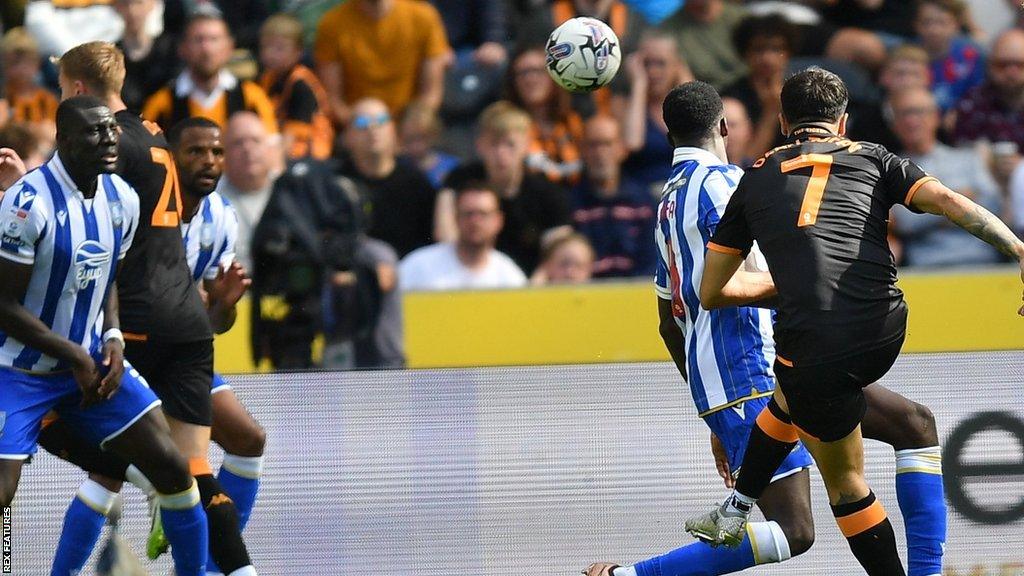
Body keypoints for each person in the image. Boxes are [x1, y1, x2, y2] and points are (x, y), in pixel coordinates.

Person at [585, 78, 962, 576]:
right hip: (754, 368)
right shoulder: (724, 184)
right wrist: (809, 280)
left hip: (749, 375)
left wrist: (711, 410)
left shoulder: (667, 203)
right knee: (794, 528)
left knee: (913, 425)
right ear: (723, 127)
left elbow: (667, 321)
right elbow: (726, 283)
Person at [691, 68, 1023, 575]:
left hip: (818, 342)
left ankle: (739, 511)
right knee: (796, 393)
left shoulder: (753, 178)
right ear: (841, 122)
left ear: (783, 122)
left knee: (845, 481)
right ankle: (734, 510)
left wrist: (794, 283)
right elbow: (951, 204)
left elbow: (714, 292)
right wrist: (1019, 249)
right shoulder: (874, 156)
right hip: (885, 323)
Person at [55, 42, 258, 575]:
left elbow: (67, 218)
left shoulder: (103, 141)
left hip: (136, 316)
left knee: (111, 468)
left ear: (75, 91)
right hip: (185, 319)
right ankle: (238, 571)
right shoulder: (153, 133)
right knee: (191, 473)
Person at [0, 95, 209, 576]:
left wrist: (111, 335)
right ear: (64, 140)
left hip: (91, 360)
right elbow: (4, 305)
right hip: (19, 370)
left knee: (174, 468)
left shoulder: (123, 198)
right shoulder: (27, 203)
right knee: (4, 491)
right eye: (95, 132)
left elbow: (106, 274)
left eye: (112, 130)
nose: (110, 139)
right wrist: (74, 352)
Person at [440, 101, 571, 274]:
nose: (501, 153)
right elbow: (445, 237)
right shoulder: (458, 181)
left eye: (510, 144)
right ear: (480, 146)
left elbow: (559, 254)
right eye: (494, 144)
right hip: (467, 278)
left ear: (526, 146)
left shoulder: (549, 194)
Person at [888, 87, 1002, 267]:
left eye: (918, 112)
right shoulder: (889, 169)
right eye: (903, 114)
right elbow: (903, 223)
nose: (911, 120)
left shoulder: (968, 158)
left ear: (936, 117)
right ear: (893, 123)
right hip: (925, 267)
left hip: (981, 261)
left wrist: (925, 206)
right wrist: (957, 201)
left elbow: (993, 206)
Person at [313, 0, 449, 126]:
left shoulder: (423, 16)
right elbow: (333, 100)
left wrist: (409, 128)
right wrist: (365, 127)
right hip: (359, 125)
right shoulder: (333, 24)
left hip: (409, 127)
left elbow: (431, 94)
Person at [142, 11, 278, 133]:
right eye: (198, 40)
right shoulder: (162, 104)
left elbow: (270, 145)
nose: (206, 49)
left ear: (230, 47)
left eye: (214, 39)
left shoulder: (251, 98)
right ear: (182, 48)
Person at [338, 98, 438, 258]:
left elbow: (428, 244)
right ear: (347, 136)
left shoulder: (416, 184)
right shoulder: (334, 184)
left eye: (381, 121)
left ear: (394, 131)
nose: (372, 129)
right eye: (362, 123)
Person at [400, 181, 526, 291]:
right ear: (456, 218)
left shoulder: (510, 277)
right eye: (468, 213)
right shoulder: (418, 266)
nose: (475, 221)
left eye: (483, 214)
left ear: (498, 221)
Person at [571, 115, 656, 278]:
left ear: (621, 149)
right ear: (581, 149)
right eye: (593, 145)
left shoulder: (642, 202)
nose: (600, 153)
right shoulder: (571, 201)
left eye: (607, 144)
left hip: (634, 294)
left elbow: (652, 259)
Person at [620, 31, 694, 198]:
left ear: (677, 66)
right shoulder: (627, 105)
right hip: (643, 198)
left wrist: (685, 81)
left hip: (686, 193)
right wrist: (639, 85)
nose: (653, 72)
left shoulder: (684, 106)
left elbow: (702, 132)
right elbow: (632, 143)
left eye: (661, 63)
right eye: (646, 64)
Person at [257, 13, 333, 160]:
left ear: (298, 52)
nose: (271, 54)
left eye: (280, 48)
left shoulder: (301, 85)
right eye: (266, 46)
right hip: (279, 143)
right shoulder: (267, 78)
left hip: (309, 154)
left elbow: (292, 136)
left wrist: (271, 164)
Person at [506, 45, 584, 186]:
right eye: (522, 73)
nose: (530, 79)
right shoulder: (507, 129)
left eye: (537, 71)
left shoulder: (574, 122)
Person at [723, 14, 797, 160]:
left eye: (776, 49)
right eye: (758, 49)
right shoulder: (732, 98)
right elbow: (744, 161)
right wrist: (771, 113)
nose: (767, 58)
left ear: (789, 53)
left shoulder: (801, 92)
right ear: (745, 53)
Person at [217, 111, 282, 271]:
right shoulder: (210, 200)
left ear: (270, 149)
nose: (247, 149)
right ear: (223, 153)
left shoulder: (289, 192)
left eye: (256, 140)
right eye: (238, 143)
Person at [953, 28, 1024, 150]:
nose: (1011, 72)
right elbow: (962, 154)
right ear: (989, 65)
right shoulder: (972, 103)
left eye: (1020, 64)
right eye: (1002, 65)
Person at [914, 0, 985, 113]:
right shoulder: (908, 57)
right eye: (927, 22)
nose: (934, 30)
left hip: (961, 120)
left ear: (956, 25)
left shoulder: (970, 55)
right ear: (916, 25)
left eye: (942, 22)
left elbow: (978, 95)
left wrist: (959, 112)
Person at [113, 0, 179, 114]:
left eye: (139, 3)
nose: (132, 11)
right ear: (116, 6)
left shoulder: (170, 50)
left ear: (152, 4)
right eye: (125, 3)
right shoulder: (111, 54)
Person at [1, 28, 58, 144]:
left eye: (27, 63)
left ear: (37, 64)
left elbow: (54, 134)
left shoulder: (47, 99)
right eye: (14, 63)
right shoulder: (4, 97)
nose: (21, 69)